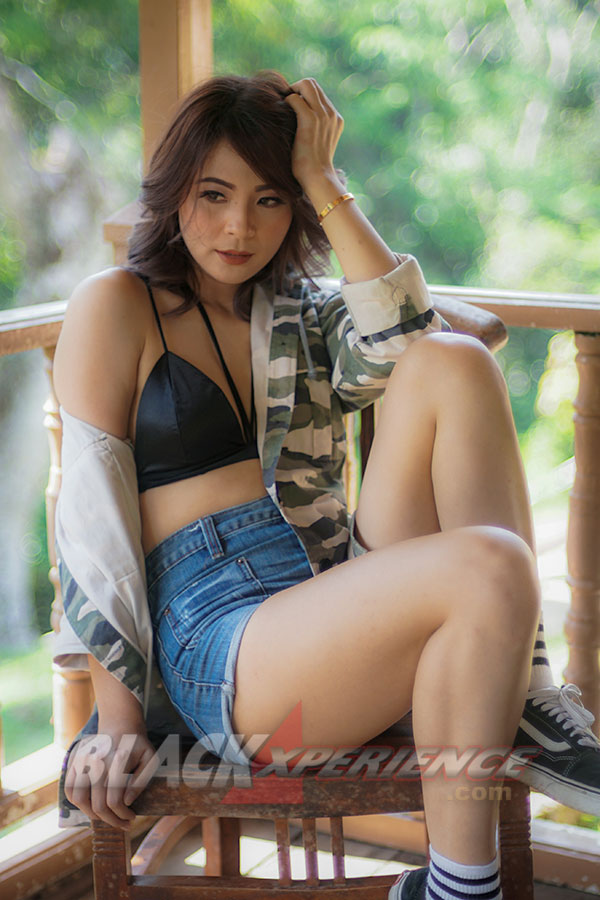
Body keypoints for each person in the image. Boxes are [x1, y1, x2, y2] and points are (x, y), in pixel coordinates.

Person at [52, 72, 600, 900]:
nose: (239, 226)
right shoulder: (117, 304)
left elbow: (410, 339)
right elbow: (90, 519)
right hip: (224, 643)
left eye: (270, 199)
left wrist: (322, 177)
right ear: (173, 191)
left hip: (330, 593)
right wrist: (119, 722)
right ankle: (464, 884)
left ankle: (525, 696)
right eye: (214, 194)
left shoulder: (299, 311)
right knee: (492, 562)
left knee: (454, 361)